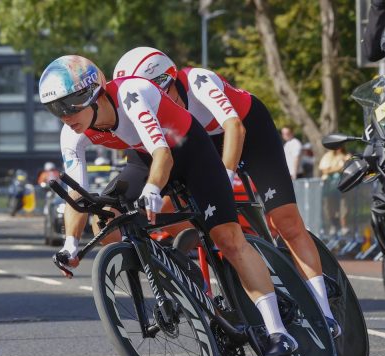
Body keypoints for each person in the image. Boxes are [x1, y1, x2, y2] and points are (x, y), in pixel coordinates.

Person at [40, 54, 297, 356]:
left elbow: (164, 153)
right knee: (104, 220)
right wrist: (70, 245)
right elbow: (77, 195)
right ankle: (172, 272)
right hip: (144, 157)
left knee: (228, 239)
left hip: (189, 150)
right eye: (56, 109)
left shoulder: (131, 94)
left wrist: (152, 188)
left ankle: (278, 333)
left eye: (71, 105)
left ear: (94, 92)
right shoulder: (73, 133)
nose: (66, 116)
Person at [114, 46, 341, 338]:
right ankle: (208, 254)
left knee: (285, 221)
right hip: (202, 146)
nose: (152, 103)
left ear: (169, 79)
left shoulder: (198, 80)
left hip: (248, 130)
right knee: (167, 207)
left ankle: (324, 312)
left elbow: (235, 127)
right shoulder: (151, 109)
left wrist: (226, 176)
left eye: (157, 93)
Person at [319, 148, 351, 235]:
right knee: (330, 207)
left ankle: (344, 227)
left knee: (343, 206)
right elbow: (325, 170)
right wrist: (339, 168)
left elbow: (349, 168)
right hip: (329, 187)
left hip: (343, 186)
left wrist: (333, 168)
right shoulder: (328, 156)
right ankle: (334, 226)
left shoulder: (347, 155)